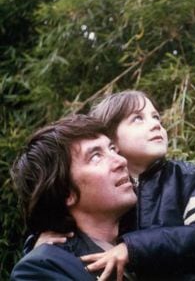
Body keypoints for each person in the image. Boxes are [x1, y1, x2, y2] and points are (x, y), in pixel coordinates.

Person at [84, 90, 195, 280]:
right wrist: (44, 236)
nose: (155, 125)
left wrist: (131, 248)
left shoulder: (189, 177)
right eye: (138, 119)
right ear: (111, 140)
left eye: (156, 117)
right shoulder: (108, 188)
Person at [10, 114, 137, 280]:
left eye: (113, 149)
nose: (121, 161)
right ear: (66, 192)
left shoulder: (149, 235)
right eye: (96, 156)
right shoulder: (41, 269)